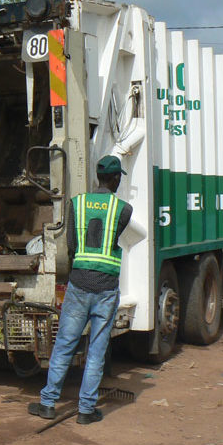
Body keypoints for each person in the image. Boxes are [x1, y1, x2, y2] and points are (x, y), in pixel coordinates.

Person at [27, 155, 133, 424]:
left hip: (79, 284)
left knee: (64, 345)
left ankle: (48, 404)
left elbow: (72, 245)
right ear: (116, 178)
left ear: (98, 177)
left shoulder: (78, 203)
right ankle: (86, 411)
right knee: (96, 350)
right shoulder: (123, 209)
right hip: (106, 288)